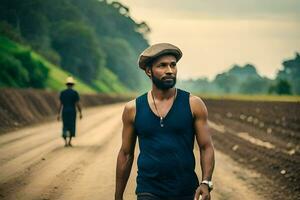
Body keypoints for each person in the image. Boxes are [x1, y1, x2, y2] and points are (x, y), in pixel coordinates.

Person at [115, 43, 215, 200]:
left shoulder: (193, 104)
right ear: (149, 71)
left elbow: (206, 146)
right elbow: (126, 154)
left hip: (186, 191)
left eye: (173, 65)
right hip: (148, 190)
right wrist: (118, 196)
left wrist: (206, 182)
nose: (169, 70)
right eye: (162, 65)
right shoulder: (133, 109)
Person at [57, 76, 82, 147]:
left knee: (65, 125)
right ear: (72, 85)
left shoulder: (63, 93)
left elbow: (60, 104)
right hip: (72, 112)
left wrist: (58, 114)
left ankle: (65, 142)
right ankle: (69, 142)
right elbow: (77, 104)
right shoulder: (75, 93)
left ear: (67, 84)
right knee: (72, 126)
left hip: (64, 112)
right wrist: (80, 113)